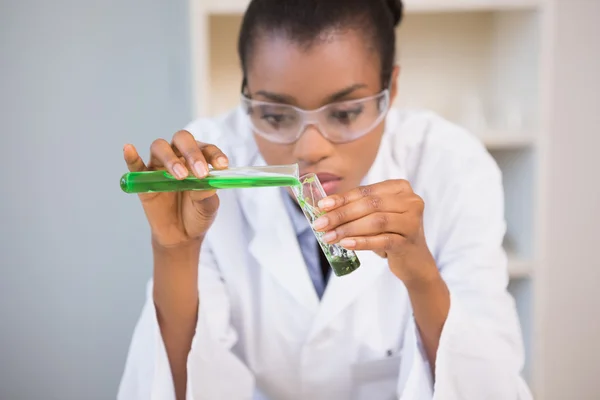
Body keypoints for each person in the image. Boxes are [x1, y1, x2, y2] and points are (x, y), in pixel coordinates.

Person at [118, 0, 533, 399]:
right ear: (247, 96)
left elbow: (489, 385)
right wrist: (175, 251)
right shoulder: (210, 169)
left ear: (391, 88)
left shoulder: (452, 165)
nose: (309, 149)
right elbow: (173, 387)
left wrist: (421, 275)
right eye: (276, 116)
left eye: (345, 112)